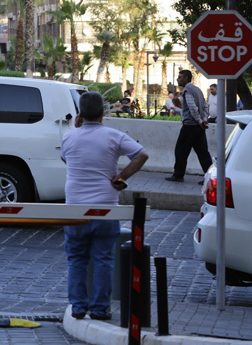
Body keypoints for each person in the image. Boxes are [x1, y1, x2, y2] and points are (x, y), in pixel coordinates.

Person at [61, 92, 149, 320]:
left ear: (80, 114)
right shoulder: (114, 136)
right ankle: (100, 309)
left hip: (74, 208)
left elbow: (66, 159)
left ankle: (78, 307)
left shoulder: (68, 137)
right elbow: (141, 155)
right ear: (103, 113)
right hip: (105, 208)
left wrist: (77, 127)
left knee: (76, 259)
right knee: (103, 259)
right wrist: (120, 177)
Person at [165, 70, 212, 184]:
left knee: (180, 150)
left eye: (180, 77)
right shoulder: (198, 90)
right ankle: (210, 177)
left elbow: (192, 108)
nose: (177, 79)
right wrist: (204, 120)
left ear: (186, 78)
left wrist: (200, 120)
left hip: (190, 126)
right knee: (203, 153)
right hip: (199, 127)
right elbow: (205, 107)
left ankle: (178, 175)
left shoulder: (187, 90)